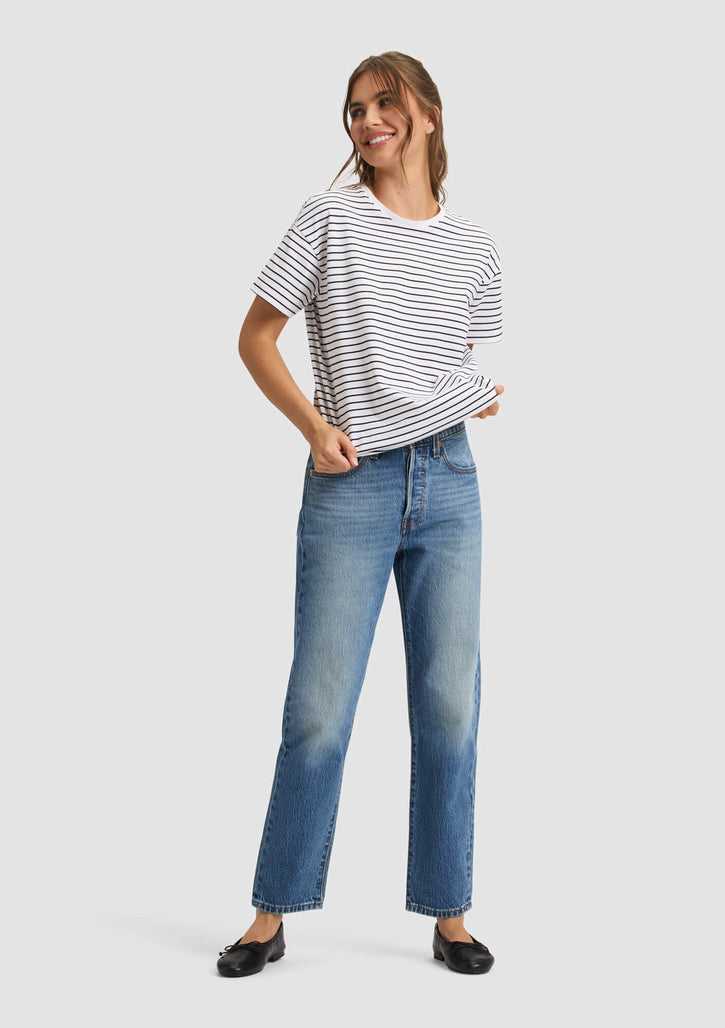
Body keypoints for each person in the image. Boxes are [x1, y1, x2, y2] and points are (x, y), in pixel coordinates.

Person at [217, 51, 504, 978]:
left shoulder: (477, 246)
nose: (367, 121)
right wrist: (313, 427)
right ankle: (271, 912)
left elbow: (459, 362)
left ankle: (451, 914)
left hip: (450, 482)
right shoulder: (329, 218)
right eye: (353, 110)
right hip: (352, 483)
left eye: (385, 103)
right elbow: (255, 338)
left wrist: (468, 396)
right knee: (319, 706)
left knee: (451, 704)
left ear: (427, 113)